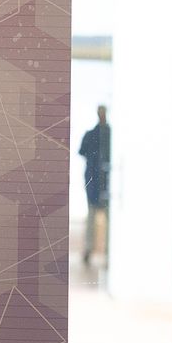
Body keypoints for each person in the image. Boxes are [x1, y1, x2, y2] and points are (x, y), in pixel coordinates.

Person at [78, 105, 111, 265]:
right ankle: (89, 249)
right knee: (92, 217)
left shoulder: (110, 135)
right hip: (94, 183)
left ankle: (108, 250)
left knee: (108, 218)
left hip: (107, 183)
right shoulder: (92, 135)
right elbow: (83, 152)